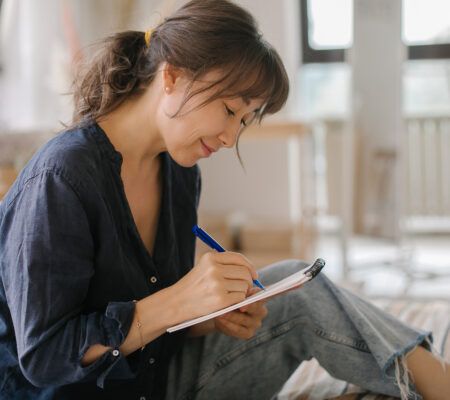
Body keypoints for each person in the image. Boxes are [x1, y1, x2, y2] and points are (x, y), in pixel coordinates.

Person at [0, 1, 448, 399]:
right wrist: (180, 300)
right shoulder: (61, 178)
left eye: (246, 119)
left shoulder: (178, 172)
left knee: (298, 288)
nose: (232, 135)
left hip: (156, 381)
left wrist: (208, 317)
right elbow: (42, 359)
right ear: (171, 75)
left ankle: (437, 381)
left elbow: (153, 323)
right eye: (230, 110)